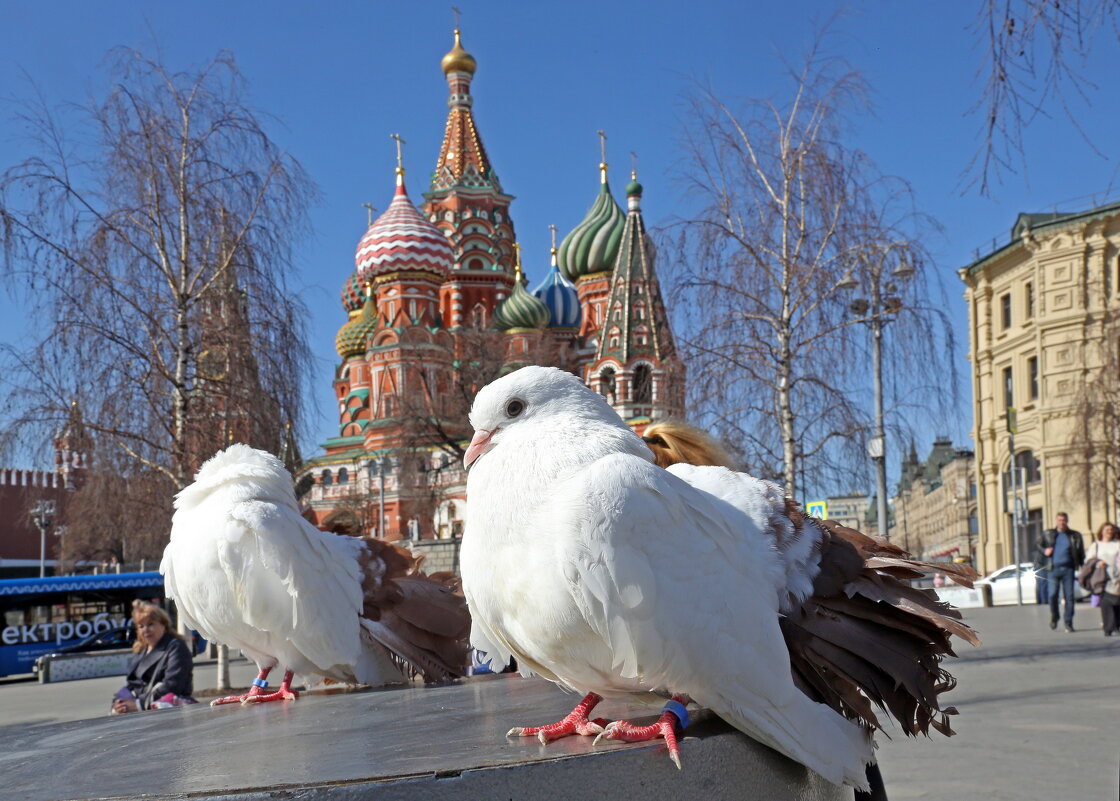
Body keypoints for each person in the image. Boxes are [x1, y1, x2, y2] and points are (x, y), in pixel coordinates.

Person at [110, 600, 196, 713]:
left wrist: (139, 704)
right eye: (141, 626)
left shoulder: (176, 647)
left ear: (163, 624)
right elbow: (133, 683)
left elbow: (173, 685)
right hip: (144, 710)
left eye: (150, 624)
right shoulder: (142, 649)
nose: (145, 630)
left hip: (168, 712)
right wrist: (120, 703)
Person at [1035, 512, 1085, 632]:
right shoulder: (1049, 534)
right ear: (1056, 521)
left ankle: (1068, 622)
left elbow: (1080, 553)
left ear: (1067, 521)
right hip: (1052, 569)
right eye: (1059, 520)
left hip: (1068, 569)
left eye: (1064, 520)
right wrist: (1045, 550)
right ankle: (1055, 616)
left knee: (1069, 596)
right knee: (1052, 595)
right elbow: (1038, 544)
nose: (1062, 522)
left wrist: (1083, 567)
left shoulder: (1075, 535)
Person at [1087, 522, 1120, 636]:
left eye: (1111, 529)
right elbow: (1089, 560)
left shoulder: (1117, 544)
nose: (1109, 532)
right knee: (1106, 602)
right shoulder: (1096, 545)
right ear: (1101, 531)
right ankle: (1108, 627)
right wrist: (1098, 563)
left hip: (1116, 576)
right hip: (1102, 576)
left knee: (1117, 601)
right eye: (1107, 529)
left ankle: (1117, 624)